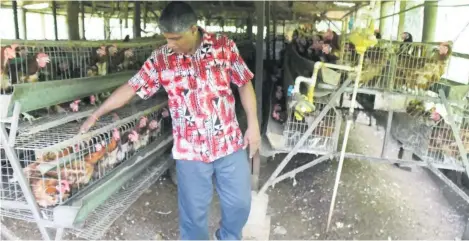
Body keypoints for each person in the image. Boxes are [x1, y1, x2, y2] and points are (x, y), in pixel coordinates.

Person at [78, 1, 260, 240]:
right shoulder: (161, 59)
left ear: (194, 29)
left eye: (175, 39)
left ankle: (227, 236)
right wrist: (96, 113)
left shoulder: (223, 47)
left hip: (228, 141)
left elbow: (244, 83)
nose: (170, 44)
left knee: (239, 204)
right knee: (193, 217)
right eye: (167, 38)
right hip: (190, 151)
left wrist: (254, 125)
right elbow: (132, 87)